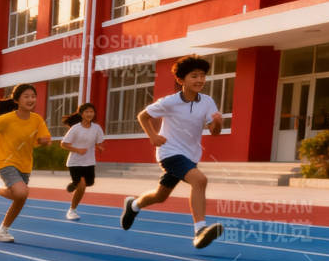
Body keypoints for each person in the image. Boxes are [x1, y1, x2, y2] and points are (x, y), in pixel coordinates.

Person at [121, 55, 226, 249]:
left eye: (202, 76)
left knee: (160, 196)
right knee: (200, 180)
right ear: (180, 80)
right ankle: (200, 230)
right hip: (169, 152)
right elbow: (143, 116)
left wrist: (218, 123)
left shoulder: (207, 102)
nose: (200, 80)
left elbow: (214, 132)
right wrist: (153, 136)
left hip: (190, 155)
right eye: (194, 76)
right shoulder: (169, 102)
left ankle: (133, 205)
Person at [0, 83, 51, 243]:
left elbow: (43, 138)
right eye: (26, 96)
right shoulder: (7, 119)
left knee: (20, 198)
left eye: (33, 96)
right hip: (5, 160)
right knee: (21, 193)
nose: (31, 99)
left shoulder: (37, 120)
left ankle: (2, 231)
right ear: (17, 100)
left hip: (25, 164)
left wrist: (44, 141)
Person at [59, 102, 105, 222]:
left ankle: (74, 184)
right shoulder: (75, 128)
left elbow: (98, 141)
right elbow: (63, 144)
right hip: (75, 162)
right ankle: (72, 210)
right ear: (81, 114)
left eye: (91, 112)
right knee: (82, 185)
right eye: (87, 112)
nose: (89, 114)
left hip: (89, 162)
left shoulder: (97, 128)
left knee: (89, 183)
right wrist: (77, 150)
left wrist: (99, 147)